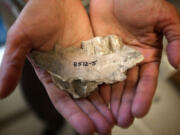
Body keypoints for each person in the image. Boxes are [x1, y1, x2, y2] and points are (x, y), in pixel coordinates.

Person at [0, 0, 180, 134]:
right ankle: (52, 122)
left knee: (85, 116)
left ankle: (68, 126)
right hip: (38, 25)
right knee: (40, 96)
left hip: (101, 17)